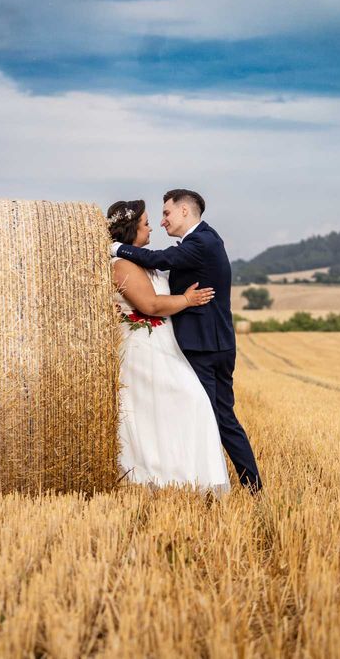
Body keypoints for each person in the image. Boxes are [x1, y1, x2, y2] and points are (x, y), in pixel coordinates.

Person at [111, 189, 262, 492]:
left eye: (165, 214)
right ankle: (231, 481)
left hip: (202, 346)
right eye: (152, 220)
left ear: (184, 212)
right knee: (214, 413)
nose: (161, 223)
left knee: (210, 413)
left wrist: (115, 247)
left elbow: (160, 259)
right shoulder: (206, 239)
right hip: (205, 344)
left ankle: (239, 484)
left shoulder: (200, 242)